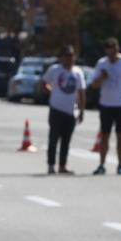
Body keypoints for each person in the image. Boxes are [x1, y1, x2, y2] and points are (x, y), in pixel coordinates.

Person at [91, 37, 121, 175]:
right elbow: (94, 85)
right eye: (108, 52)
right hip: (106, 104)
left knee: (120, 135)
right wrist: (102, 78)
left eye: (113, 52)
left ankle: (120, 164)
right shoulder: (101, 63)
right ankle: (101, 164)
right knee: (104, 135)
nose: (111, 55)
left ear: (117, 49)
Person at [41, 45, 86, 174]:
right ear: (62, 57)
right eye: (66, 55)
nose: (69, 58)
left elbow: (81, 92)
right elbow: (43, 82)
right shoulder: (55, 70)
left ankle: (62, 165)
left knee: (66, 141)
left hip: (71, 110)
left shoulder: (77, 72)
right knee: (54, 138)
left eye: (71, 55)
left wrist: (82, 111)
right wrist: (50, 91)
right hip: (56, 109)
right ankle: (51, 165)